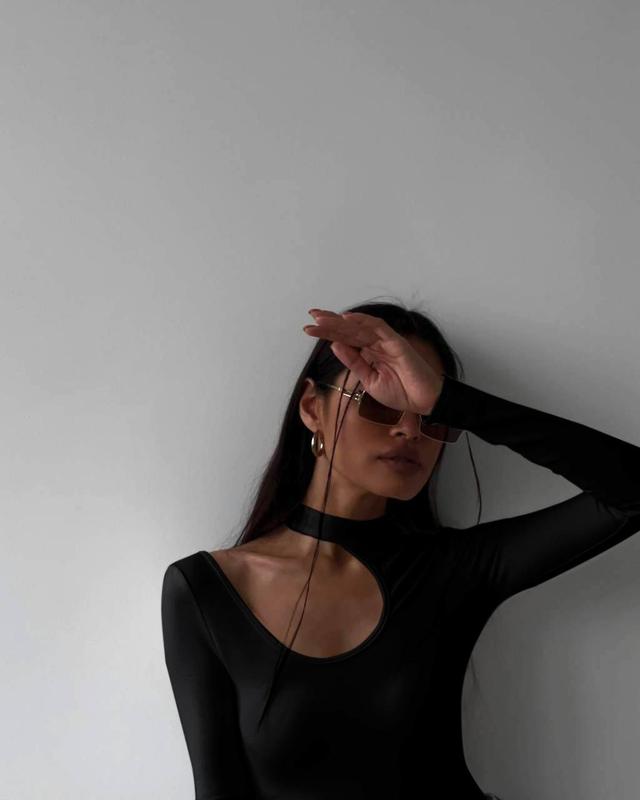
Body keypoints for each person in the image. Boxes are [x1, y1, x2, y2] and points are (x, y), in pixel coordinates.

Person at [161, 301, 640, 799]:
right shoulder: (205, 590)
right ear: (312, 408)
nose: (410, 430)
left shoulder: (455, 569)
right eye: (378, 400)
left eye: (431, 416)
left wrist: (452, 401)